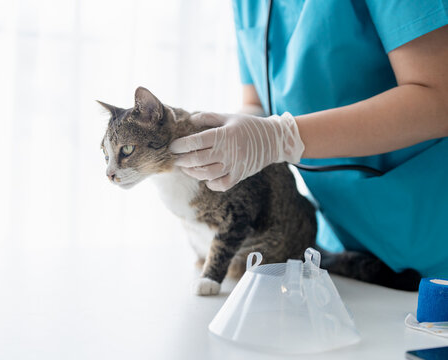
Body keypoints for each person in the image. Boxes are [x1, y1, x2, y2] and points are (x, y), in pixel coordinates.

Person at [170, 1, 448, 278]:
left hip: (432, 235)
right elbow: (256, 101)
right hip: (345, 238)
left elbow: (439, 99)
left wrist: (279, 137)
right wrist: (233, 140)